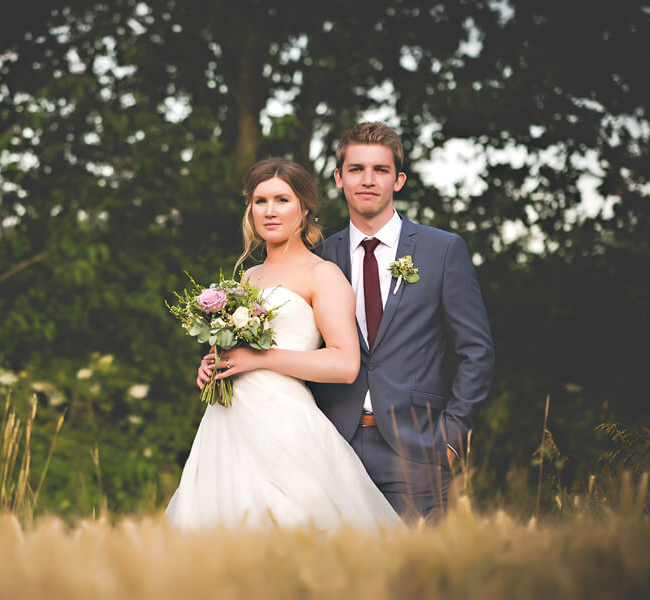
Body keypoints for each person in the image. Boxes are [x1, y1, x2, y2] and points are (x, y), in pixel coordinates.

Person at [200, 122, 495, 521]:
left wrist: (452, 439)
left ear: (399, 179)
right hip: (326, 443)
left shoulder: (441, 250)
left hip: (417, 447)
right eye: (356, 169)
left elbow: (475, 352)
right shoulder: (317, 255)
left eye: (380, 170)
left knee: (415, 574)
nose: (367, 180)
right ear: (339, 179)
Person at [165, 157, 399, 532]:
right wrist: (214, 362)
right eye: (260, 201)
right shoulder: (248, 276)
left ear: (305, 209)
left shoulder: (322, 275)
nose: (269, 211)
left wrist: (259, 358)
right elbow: (236, 351)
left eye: (282, 200)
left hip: (283, 424)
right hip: (226, 424)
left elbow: (345, 363)